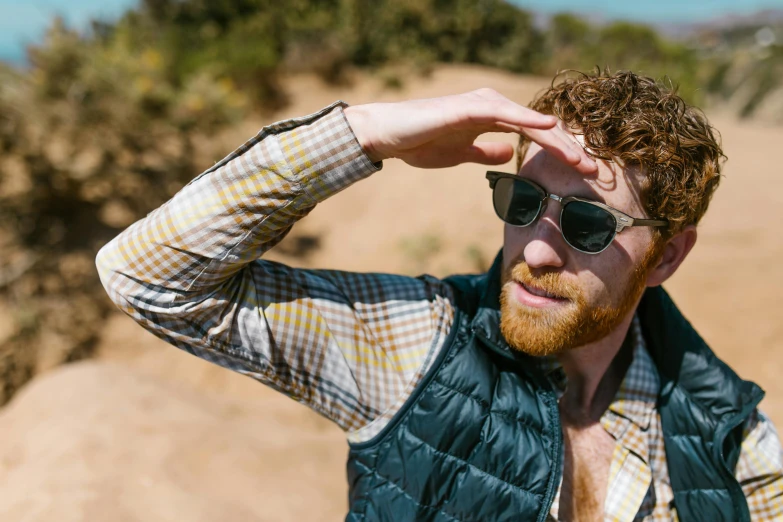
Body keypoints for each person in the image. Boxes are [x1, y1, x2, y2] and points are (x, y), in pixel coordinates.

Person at [96, 70, 783, 521]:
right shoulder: (418, 345)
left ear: (666, 254)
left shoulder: (731, 437)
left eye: (586, 223)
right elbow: (148, 278)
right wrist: (364, 135)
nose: (536, 249)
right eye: (521, 201)